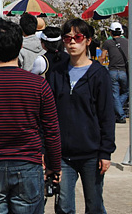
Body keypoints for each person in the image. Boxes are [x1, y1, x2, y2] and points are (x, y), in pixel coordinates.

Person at [0, 19, 61, 213]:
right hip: (29, 164)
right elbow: (52, 130)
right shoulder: (38, 85)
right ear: (20, 46)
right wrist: (54, 166)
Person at [46, 18, 116, 214]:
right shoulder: (56, 72)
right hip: (62, 155)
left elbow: (106, 115)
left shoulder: (99, 74)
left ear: (88, 40)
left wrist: (106, 151)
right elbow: (48, 114)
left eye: (77, 37)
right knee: (63, 207)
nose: (72, 42)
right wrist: (46, 149)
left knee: (94, 206)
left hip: (91, 154)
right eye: (67, 38)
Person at [101, 22, 129, 123]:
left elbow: (103, 57)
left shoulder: (107, 43)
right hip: (124, 71)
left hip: (112, 71)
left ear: (111, 32)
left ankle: (120, 115)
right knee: (126, 92)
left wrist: (97, 64)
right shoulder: (127, 42)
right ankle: (119, 111)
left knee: (115, 94)